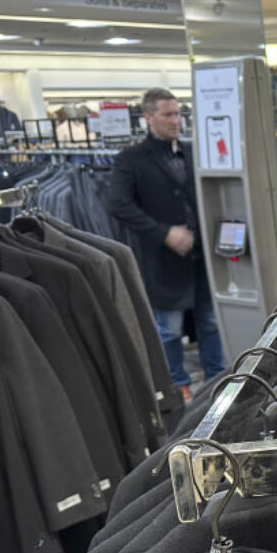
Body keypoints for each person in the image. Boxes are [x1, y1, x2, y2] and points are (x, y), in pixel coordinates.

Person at [107, 87, 224, 401]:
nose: (176, 120)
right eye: (168, 114)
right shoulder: (130, 159)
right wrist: (164, 233)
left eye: (178, 113)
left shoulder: (193, 152)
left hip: (203, 255)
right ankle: (177, 384)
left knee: (211, 321)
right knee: (170, 328)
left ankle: (218, 380)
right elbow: (119, 205)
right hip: (162, 258)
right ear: (148, 118)